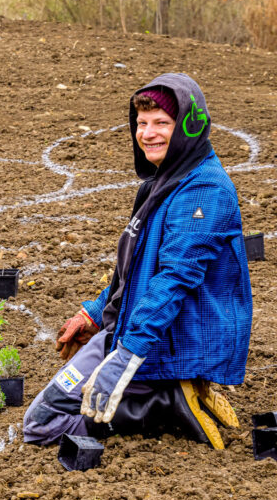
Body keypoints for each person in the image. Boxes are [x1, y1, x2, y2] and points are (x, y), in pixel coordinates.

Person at [23, 73, 252, 450]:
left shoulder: (205, 190)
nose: (148, 133)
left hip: (167, 340)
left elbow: (174, 280)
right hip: (137, 330)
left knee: (43, 424)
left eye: (162, 123)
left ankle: (166, 403)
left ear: (189, 126)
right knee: (48, 414)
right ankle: (175, 390)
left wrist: (125, 357)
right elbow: (134, 272)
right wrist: (94, 314)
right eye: (141, 123)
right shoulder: (163, 181)